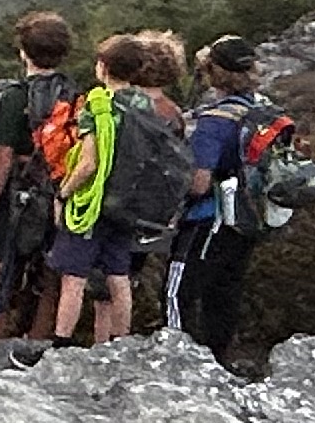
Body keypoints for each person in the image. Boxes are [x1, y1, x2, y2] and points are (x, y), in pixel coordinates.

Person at [34, 32, 183, 352]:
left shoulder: (97, 105)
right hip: (127, 204)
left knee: (73, 277)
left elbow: (88, 163)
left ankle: (61, 343)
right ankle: (120, 342)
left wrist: (63, 194)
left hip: (94, 202)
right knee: (119, 275)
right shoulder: (147, 106)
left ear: (102, 67)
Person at [0, 11, 78, 352]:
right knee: (49, 280)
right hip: (59, 192)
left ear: (23, 52)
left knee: (1, 280)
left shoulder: (16, 96)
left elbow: (4, 156)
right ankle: (37, 350)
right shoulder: (74, 93)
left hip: (17, 195)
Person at [168, 36, 276, 355]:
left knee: (178, 291)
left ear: (212, 73)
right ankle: (218, 358)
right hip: (248, 217)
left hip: (208, 218)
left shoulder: (215, 121)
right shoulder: (262, 110)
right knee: (224, 291)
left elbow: (199, 182)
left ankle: (176, 356)